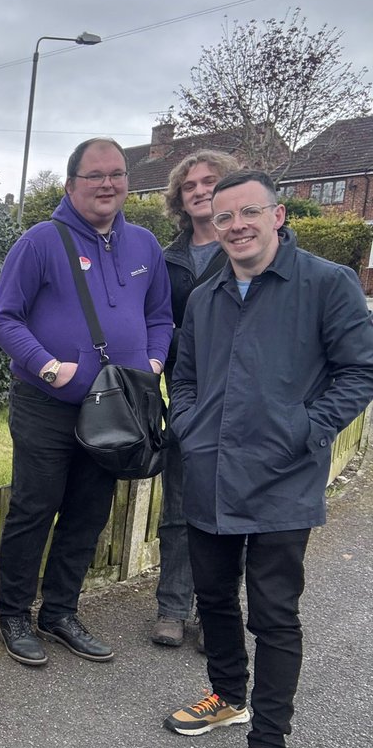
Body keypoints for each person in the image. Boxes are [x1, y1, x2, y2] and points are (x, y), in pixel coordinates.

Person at [163, 170, 373, 748]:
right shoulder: (207, 294)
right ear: (214, 226)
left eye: (249, 212)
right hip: (211, 474)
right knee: (215, 599)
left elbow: (359, 370)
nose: (236, 226)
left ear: (278, 216)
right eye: (224, 217)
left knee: (275, 616)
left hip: (284, 479)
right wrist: (192, 432)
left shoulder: (327, 284)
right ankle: (228, 694)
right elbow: (187, 376)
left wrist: (306, 430)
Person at [0, 138, 173, 667]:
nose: (107, 184)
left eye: (116, 174)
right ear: (71, 184)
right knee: (35, 506)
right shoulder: (41, 241)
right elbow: (4, 318)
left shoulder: (144, 246)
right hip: (47, 402)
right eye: (95, 176)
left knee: (89, 511)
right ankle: (15, 614)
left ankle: (60, 612)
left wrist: (153, 364)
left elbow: (161, 316)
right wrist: (49, 365)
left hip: (118, 406)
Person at [151, 150, 239, 649]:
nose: (201, 190)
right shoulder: (168, 261)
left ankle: (215, 612)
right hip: (186, 395)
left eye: (212, 181)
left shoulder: (250, 250)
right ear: (179, 200)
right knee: (180, 504)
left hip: (242, 396)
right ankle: (171, 607)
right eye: (191, 186)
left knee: (231, 508)